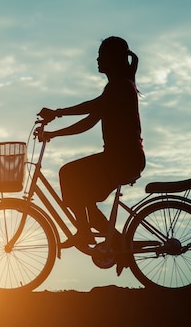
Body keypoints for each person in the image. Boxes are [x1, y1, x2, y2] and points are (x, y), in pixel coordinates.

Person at [36, 36, 145, 248]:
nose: (97, 59)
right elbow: (88, 122)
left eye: (101, 55)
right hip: (122, 159)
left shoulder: (120, 86)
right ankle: (116, 242)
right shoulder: (118, 86)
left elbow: (92, 107)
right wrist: (54, 134)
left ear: (111, 59)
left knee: (68, 174)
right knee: (81, 195)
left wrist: (57, 113)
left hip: (123, 160)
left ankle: (85, 234)